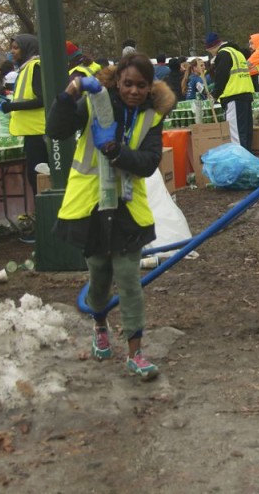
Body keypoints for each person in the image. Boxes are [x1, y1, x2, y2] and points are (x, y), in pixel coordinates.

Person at [45, 54, 176, 380]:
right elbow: (56, 129)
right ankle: (100, 323)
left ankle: (136, 353)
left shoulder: (151, 117)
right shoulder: (92, 103)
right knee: (100, 277)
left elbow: (148, 162)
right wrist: (69, 94)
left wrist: (117, 151)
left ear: (149, 88)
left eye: (141, 85)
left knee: (129, 279)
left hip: (127, 210)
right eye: (128, 83)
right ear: (117, 81)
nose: (134, 91)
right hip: (89, 207)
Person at [0, 33, 48, 199]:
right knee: (33, 176)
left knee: (38, 177)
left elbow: (42, 100)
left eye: (16, 48)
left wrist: (12, 106)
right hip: (31, 131)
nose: (12, 52)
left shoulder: (35, 67)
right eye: (11, 48)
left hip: (39, 132)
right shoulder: (25, 68)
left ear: (27, 48)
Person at [205, 32, 254, 150]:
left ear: (211, 47)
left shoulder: (223, 54)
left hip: (234, 96)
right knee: (246, 132)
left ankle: (240, 163)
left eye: (210, 51)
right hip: (245, 94)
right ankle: (247, 159)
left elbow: (221, 77)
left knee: (236, 134)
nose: (212, 54)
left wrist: (214, 94)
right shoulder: (237, 53)